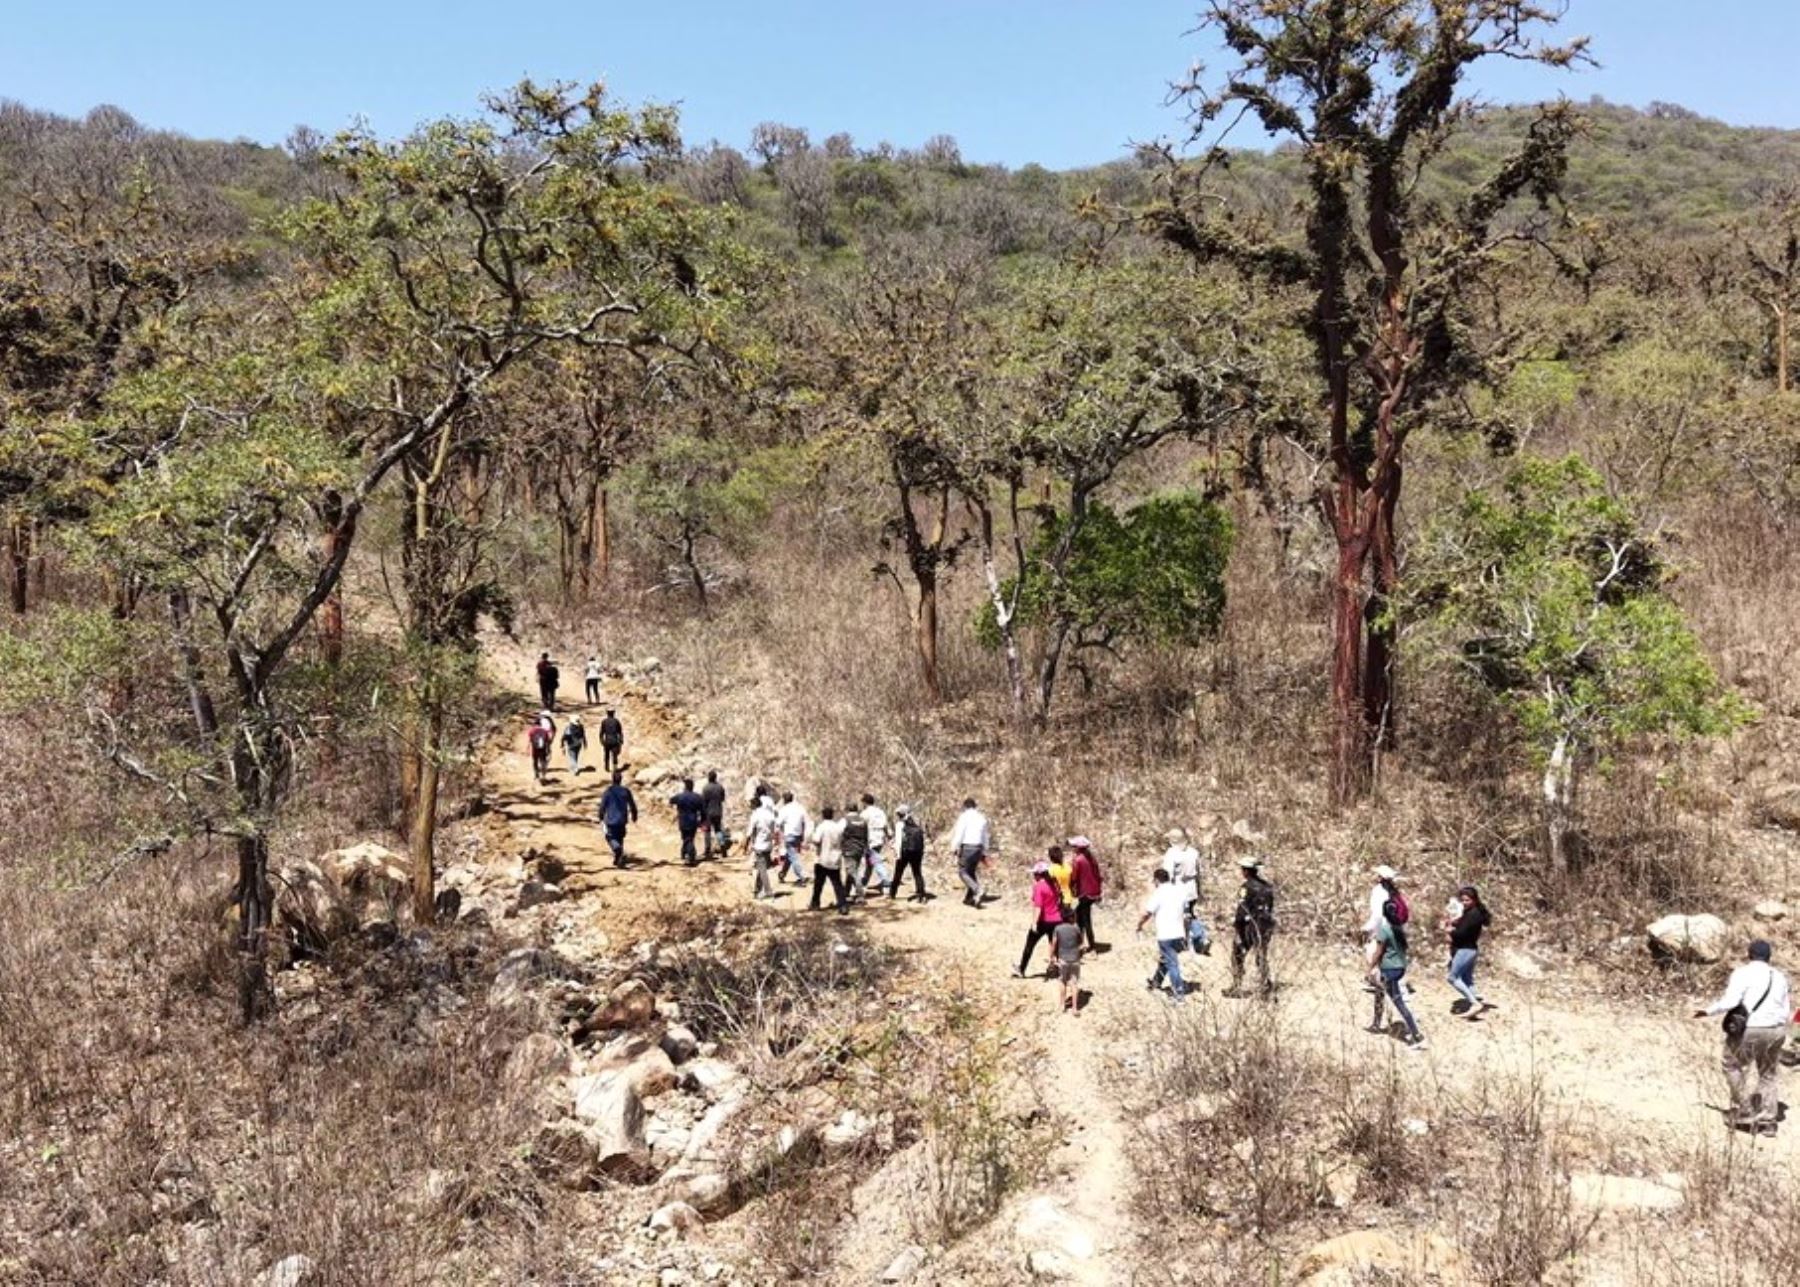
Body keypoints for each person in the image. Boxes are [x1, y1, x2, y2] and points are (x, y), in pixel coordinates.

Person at [1695, 940, 1792, 1135]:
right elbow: (1786, 1009)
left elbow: (1731, 1001)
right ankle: (1768, 1120)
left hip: (1751, 1028)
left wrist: (1707, 1011)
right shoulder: (1780, 977)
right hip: (1776, 1030)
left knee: (1731, 1065)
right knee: (1767, 1073)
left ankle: (1745, 1111)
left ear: (1749, 954)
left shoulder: (1742, 973)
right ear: (1769, 957)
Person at [1367, 898, 1426, 1049]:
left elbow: (1378, 951)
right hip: (1399, 967)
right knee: (1379, 993)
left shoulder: (1384, 930)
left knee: (1398, 1002)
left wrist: (1370, 967)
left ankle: (1417, 1036)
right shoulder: (1399, 929)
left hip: (1389, 969)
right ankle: (1376, 1023)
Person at [1226, 856, 1277, 998]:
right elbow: (1270, 907)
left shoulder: (1246, 887)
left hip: (1250, 926)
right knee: (1261, 956)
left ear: (1246, 871)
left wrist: (1238, 925)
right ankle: (1265, 985)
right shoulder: (1267, 887)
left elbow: (1242, 909)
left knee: (1237, 954)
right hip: (1265, 925)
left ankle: (1237, 986)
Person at [1138, 868, 1190, 1001]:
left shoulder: (1159, 893)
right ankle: (1156, 982)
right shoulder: (1179, 891)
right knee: (1166, 959)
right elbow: (1187, 914)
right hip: (1179, 933)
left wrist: (1139, 925)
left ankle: (1179, 994)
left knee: (1172, 964)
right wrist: (1186, 933)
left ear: (1156, 880)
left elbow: (1147, 912)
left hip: (1166, 934)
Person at [1444, 886, 1494, 1017]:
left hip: (1465, 950)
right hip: (1470, 950)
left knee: (1452, 978)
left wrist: (1451, 931)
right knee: (1466, 979)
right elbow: (1464, 927)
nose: (1464, 903)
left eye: (1467, 900)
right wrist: (1455, 923)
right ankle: (1476, 1002)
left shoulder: (1473, 914)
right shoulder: (1471, 913)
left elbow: (1462, 933)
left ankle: (1474, 1003)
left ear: (1474, 900)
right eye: (1463, 900)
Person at [1014, 859, 1066, 979]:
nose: (1033, 876)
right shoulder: (1054, 883)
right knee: (1054, 945)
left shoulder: (1039, 887)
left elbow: (1038, 907)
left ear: (1038, 874)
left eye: (1035, 874)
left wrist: (1034, 923)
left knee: (1030, 945)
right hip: (1057, 920)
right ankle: (1055, 968)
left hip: (1044, 920)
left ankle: (1021, 968)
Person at [949, 798, 992, 907]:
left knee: (962, 872)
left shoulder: (964, 817)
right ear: (975, 806)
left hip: (968, 847)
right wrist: (985, 851)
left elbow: (959, 834)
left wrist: (954, 847)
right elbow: (985, 836)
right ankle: (969, 898)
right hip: (978, 848)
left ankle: (977, 890)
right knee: (971, 872)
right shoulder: (982, 818)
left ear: (965, 806)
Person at [809, 805, 849, 915]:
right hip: (835, 859)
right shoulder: (838, 827)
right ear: (832, 815)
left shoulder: (822, 827)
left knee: (818, 884)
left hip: (822, 859)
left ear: (823, 815)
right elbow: (843, 841)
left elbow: (816, 840)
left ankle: (815, 904)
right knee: (837, 884)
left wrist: (812, 836)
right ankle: (843, 905)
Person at [596, 770, 638, 866]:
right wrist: (634, 815)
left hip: (611, 819)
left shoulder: (608, 791)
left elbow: (602, 806)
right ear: (621, 779)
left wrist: (600, 816)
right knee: (620, 837)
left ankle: (617, 849)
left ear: (612, 779)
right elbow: (632, 805)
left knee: (610, 837)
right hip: (622, 819)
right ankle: (619, 859)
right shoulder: (626, 791)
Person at [1069, 838, 1103, 952]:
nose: (1073, 848)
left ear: (1078, 848)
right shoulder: (1091, 857)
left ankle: (1091, 946)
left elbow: (1074, 877)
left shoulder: (1078, 860)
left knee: (1085, 919)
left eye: (1074, 846)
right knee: (1080, 915)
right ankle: (1081, 942)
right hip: (1094, 892)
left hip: (1084, 893)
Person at [889, 804, 929, 901]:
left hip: (905, 852)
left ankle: (892, 893)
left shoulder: (899, 825)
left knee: (898, 873)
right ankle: (921, 895)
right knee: (917, 873)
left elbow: (899, 841)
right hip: (916, 851)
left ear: (899, 814)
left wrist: (897, 853)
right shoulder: (916, 823)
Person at [859, 794, 892, 898]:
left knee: (876, 862)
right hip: (880, 839)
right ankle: (863, 883)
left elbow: (860, 827)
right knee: (870, 863)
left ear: (865, 802)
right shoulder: (880, 812)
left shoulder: (865, 813)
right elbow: (886, 825)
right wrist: (889, 835)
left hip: (870, 840)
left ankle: (886, 884)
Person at [1163, 828, 1201, 914]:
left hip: (1178, 891)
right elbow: (1198, 874)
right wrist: (1199, 890)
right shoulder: (1194, 852)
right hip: (1191, 890)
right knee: (1189, 915)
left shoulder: (1171, 853)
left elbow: (1168, 875)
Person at [748, 794, 779, 899]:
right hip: (768, 845)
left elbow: (750, 832)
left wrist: (746, 846)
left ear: (754, 805)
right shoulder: (770, 815)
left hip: (759, 845)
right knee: (762, 867)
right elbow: (775, 830)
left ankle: (768, 891)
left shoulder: (755, 815)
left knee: (762, 869)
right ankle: (757, 890)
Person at [670, 778, 706, 867]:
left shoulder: (680, 796)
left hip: (683, 821)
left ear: (685, 787)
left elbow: (671, 800)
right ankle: (685, 853)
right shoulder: (697, 797)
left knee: (686, 838)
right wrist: (702, 821)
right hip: (693, 821)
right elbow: (703, 811)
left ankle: (690, 856)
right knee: (689, 838)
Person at [777, 791, 811, 884]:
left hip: (789, 835)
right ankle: (782, 874)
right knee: (790, 855)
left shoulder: (784, 809)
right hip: (798, 835)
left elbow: (778, 822)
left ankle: (802, 876)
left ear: (784, 800)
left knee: (793, 856)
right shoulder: (800, 807)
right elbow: (806, 821)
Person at [839, 804, 870, 901]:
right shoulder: (863, 821)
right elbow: (866, 835)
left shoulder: (845, 820)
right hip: (860, 849)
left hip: (849, 849)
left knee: (852, 872)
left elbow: (838, 833)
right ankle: (846, 893)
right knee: (852, 870)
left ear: (848, 809)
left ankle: (860, 894)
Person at [1054, 915, 1083, 1015]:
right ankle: (1075, 1008)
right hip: (1075, 959)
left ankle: (1062, 1005)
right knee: (1074, 983)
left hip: (1063, 958)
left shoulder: (1058, 929)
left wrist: (1052, 956)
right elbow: (1081, 943)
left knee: (1062, 981)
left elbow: (1054, 943)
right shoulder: (1076, 928)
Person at [701, 770, 730, 859]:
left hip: (708, 812)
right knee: (718, 830)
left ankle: (707, 850)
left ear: (709, 778)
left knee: (707, 831)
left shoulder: (706, 788)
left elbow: (703, 801)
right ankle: (723, 847)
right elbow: (722, 799)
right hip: (718, 811)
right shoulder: (720, 787)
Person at [527, 714, 554, 783]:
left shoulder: (532, 730)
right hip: (543, 749)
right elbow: (547, 741)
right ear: (540, 724)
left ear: (534, 724)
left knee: (535, 761)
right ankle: (543, 775)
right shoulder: (544, 731)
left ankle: (536, 774)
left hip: (535, 749)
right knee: (543, 761)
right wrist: (549, 749)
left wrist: (528, 748)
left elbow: (529, 740)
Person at [599, 708, 624, 773]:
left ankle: (607, 767)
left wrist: (601, 740)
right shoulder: (616, 721)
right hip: (614, 741)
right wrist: (621, 740)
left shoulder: (604, 721)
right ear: (613, 713)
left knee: (606, 754)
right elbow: (620, 732)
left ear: (607, 713)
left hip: (607, 741)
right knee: (615, 755)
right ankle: (615, 768)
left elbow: (601, 732)